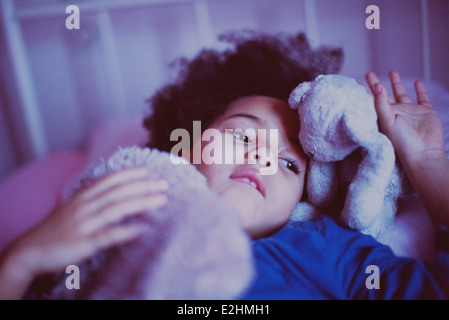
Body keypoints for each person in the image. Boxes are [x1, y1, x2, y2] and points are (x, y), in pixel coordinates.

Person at [0, 31, 448, 299]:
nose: (262, 158)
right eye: (241, 136)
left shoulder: (326, 250)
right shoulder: (117, 223)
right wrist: (21, 262)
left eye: (291, 166)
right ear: (184, 147)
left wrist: (429, 163)